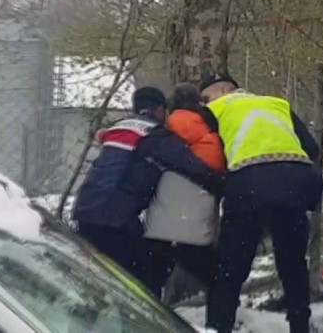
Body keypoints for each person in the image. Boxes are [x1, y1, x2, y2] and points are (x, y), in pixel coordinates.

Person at [200, 74, 323, 333]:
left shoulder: (213, 110)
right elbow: (311, 149)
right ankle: (300, 325)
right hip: (298, 181)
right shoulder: (277, 104)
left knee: (230, 270)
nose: (204, 102)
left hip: (248, 184)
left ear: (222, 91)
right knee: (293, 264)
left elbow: (206, 155)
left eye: (206, 97)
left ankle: (218, 327)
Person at [72, 86, 224, 293]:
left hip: (85, 210)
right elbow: (194, 168)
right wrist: (227, 185)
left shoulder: (118, 128)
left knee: (98, 281)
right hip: (115, 219)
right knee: (145, 277)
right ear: (161, 110)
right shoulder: (154, 135)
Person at [142, 83, 226, 297]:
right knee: (212, 274)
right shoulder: (213, 126)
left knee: (151, 276)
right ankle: (222, 316)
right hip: (202, 205)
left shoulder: (168, 126)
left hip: (166, 209)